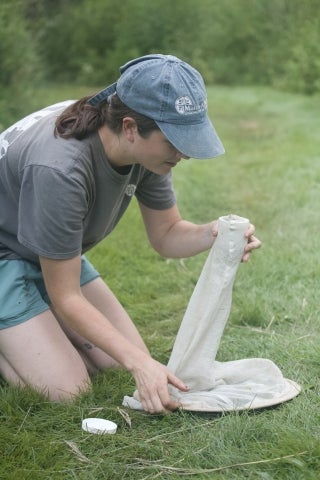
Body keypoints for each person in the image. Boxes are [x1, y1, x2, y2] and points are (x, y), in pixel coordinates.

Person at [0, 54, 261, 414]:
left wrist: (213, 235)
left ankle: (29, 329)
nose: (183, 153)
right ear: (129, 128)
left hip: (45, 249)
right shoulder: (61, 170)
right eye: (174, 141)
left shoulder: (147, 154)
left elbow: (167, 234)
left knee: (112, 359)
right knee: (68, 390)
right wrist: (140, 364)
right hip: (4, 253)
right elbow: (67, 296)